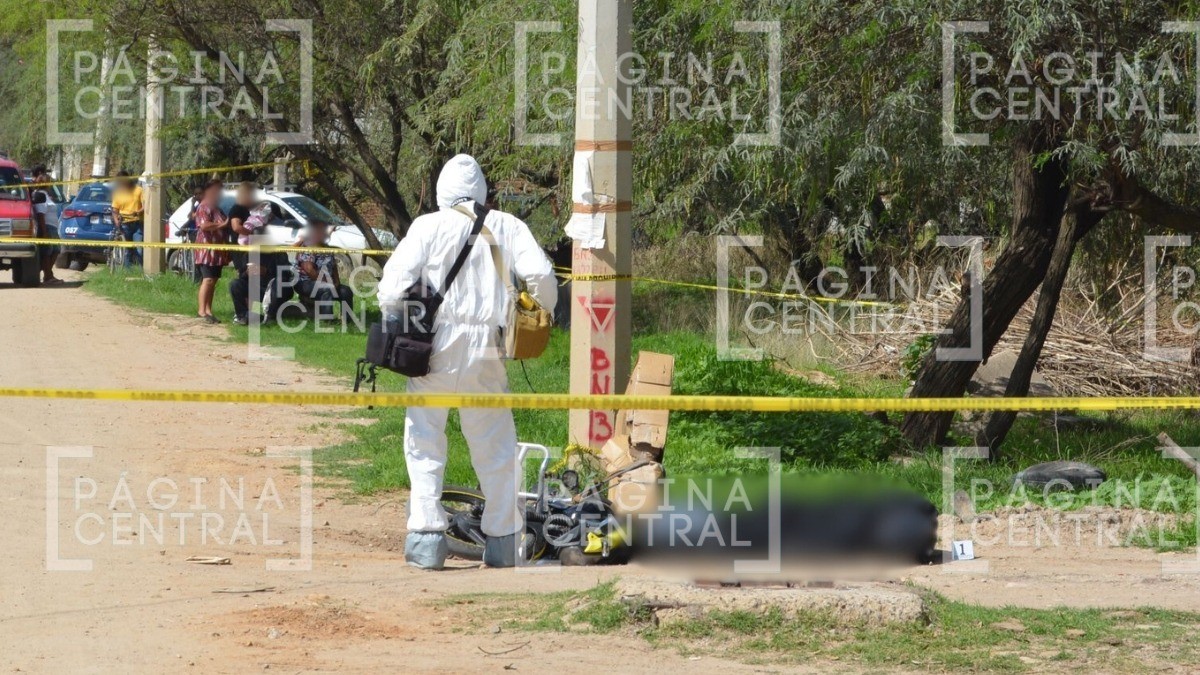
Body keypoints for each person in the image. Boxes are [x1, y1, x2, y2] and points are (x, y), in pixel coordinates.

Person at [377, 154, 557, 570]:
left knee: (424, 438)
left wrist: (399, 321)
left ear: (442, 192)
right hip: (487, 347)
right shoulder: (508, 226)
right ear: (482, 191)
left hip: (435, 346)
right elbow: (543, 277)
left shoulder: (427, 225)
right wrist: (538, 313)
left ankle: (425, 538)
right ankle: (503, 541)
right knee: (494, 443)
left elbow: (390, 288)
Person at [291, 219, 353, 321]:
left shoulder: (326, 247)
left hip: (325, 281)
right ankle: (327, 321)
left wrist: (337, 282)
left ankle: (347, 320)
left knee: (346, 291)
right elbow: (309, 269)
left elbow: (333, 266)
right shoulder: (307, 245)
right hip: (305, 282)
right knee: (327, 288)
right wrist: (327, 282)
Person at [193, 179, 230, 323]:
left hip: (217, 251)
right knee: (207, 279)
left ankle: (208, 310)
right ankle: (201, 311)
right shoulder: (204, 206)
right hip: (206, 249)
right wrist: (223, 224)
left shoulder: (216, 207)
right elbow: (204, 226)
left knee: (213, 281)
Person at [30, 166, 61, 284]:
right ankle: (48, 276)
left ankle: (48, 273)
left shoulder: (47, 195)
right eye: (49, 181)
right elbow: (41, 214)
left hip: (53, 228)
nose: (50, 183)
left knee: (56, 250)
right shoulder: (40, 195)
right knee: (47, 252)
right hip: (47, 227)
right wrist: (44, 232)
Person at [110, 171, 144, 267]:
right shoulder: (118, 193)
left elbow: (145, 206)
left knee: (139, 249)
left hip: (137, 223)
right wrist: (117, 222)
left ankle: (142, 272)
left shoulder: (139, 190)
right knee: (127, 250)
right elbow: (115, 210)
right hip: (124, 224)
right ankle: (127, 273)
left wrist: (138, 211)